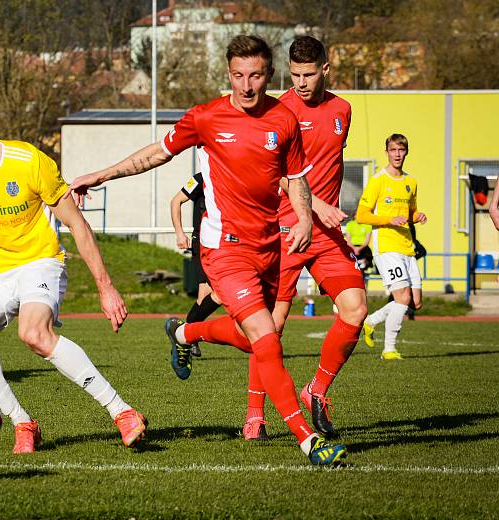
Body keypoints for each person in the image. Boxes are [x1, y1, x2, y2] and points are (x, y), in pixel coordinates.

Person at [71, 35, 347, 466]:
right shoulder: (205, 117)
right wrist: (102, 174)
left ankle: (186, 332)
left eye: (255, 75)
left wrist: (307, 220)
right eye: (238, 75)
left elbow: (296, 180)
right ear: (228, 74)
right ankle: (307, 438)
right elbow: (155, 155)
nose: (246, 85)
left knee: (258, 341)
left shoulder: (284, 119)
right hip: (224, 250)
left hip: (270, 247)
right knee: (267, 339)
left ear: (268, 75)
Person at [0, 90, 146, 454]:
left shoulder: (28, 161)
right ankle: (23, 423)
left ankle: (121, 411)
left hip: (40, 262)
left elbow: (78, 225)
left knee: (34, 334)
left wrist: (106, 287)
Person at [241, 36, 368, 441]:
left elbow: (333, 159)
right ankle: (255, 416)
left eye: (309, 74)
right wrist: (314, 207)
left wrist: (328, 210)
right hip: (285, 228)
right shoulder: (277, 112)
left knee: (356, 308)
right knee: (271, 325)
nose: (300, 82)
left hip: (327, 232)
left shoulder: (342, 110)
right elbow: (270, 172)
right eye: (294, 74)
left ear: (325, 70)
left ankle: (316, 390)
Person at [357, 133, 427, 360]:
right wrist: (388, 220)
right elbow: (361, 215)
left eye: (401, 150)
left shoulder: (410, 182)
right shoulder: (378, 180)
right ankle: (389, 349)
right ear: (386, 152)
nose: (397, 154)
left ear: (406, 152)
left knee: (415, 302)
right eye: (393, 150)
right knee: (403, 297)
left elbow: (409, 213)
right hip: (386, 246)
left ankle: (371, 321)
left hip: (407, 246)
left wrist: (418, 216)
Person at [169, 173, 222, 359]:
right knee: (217, 293)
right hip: (203, 244)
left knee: (211, 295)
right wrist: (179, 233)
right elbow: (176, 201)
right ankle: (186, 334)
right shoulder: (200, 179)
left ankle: (184, 334)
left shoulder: (231, 175)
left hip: (224, 244)